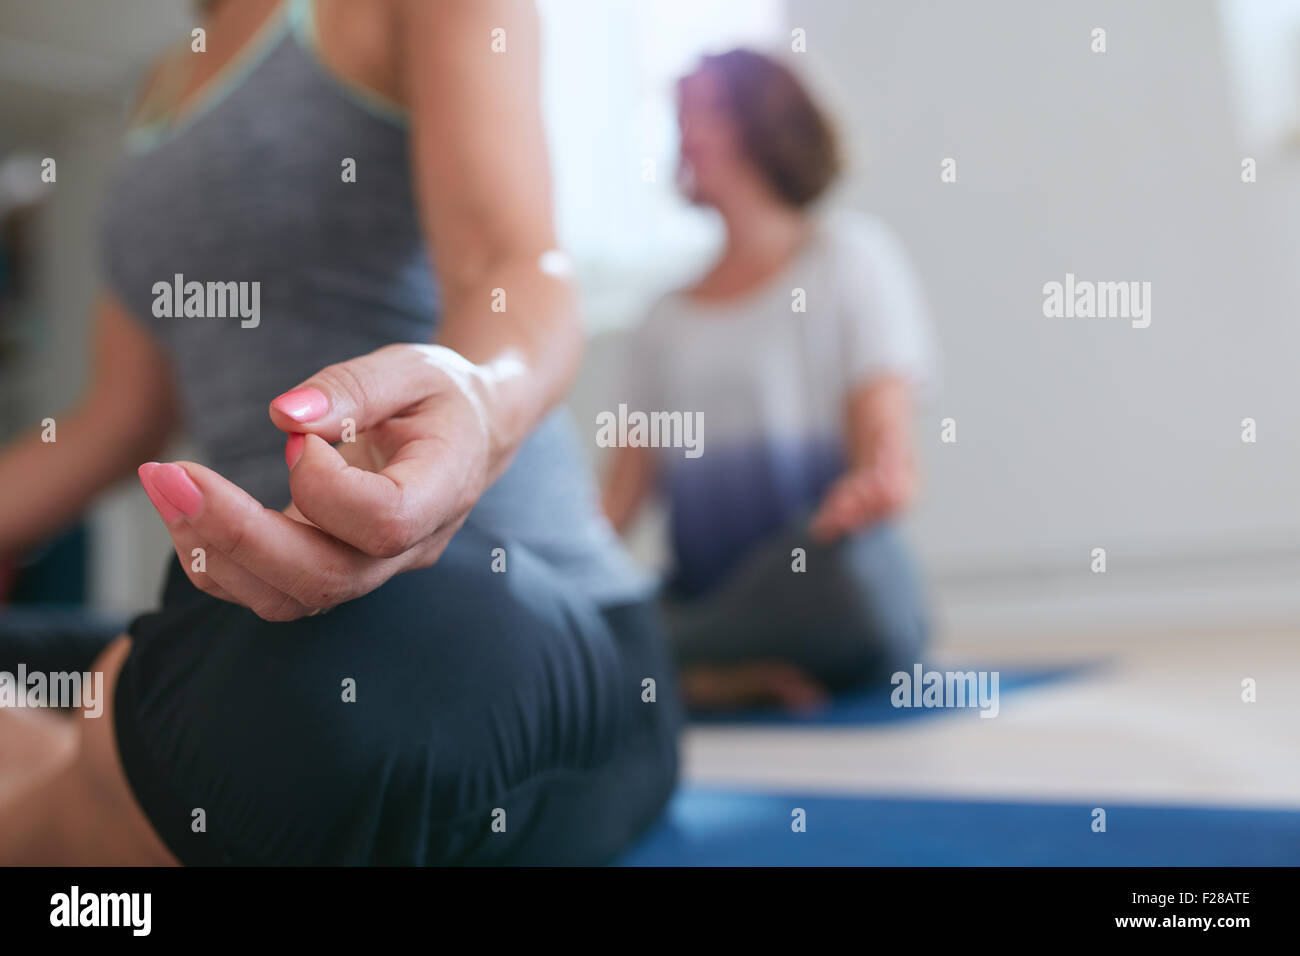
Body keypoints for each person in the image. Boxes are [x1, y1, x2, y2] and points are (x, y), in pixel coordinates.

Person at [0, 0, 680, 865]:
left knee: (321, 716)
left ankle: (63, 784)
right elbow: (115, 418)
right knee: (240, 698)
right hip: (252, 620)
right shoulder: (158, 90)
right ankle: (96, 764)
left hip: (513, 609)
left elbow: (511, 267)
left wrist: (474, 397)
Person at [603, 50, 937, 713]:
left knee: (856, 591)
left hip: (822, 577)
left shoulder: (851, 260)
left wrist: (871, 490)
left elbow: (887, 451)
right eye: (683, 115)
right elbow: (623, 494)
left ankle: (671, 670)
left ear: (767, 123)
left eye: (711, 111)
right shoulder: (663, 318)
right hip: (704, 593)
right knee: (583, 620)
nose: (689, 132)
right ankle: (708, 670)